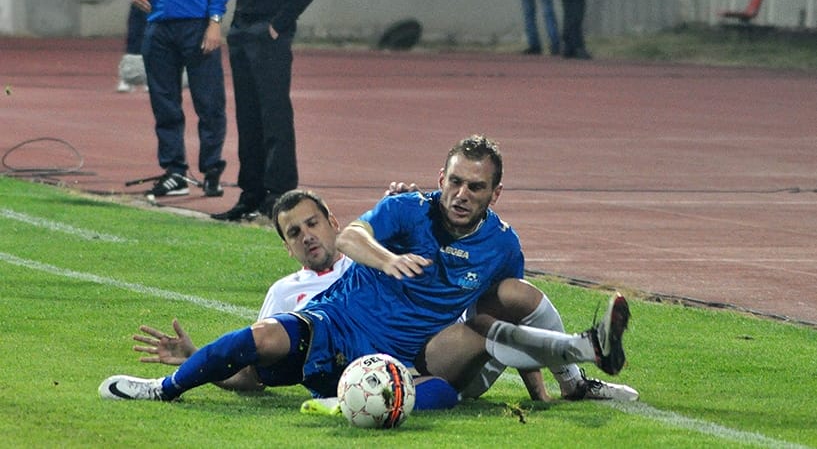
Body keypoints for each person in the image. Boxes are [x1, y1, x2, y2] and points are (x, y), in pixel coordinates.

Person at [99, 135, 634, 405]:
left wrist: (536, 385)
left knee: (493, 316)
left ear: (495, 192)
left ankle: (578, 365)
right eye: (454, 182)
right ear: (440, 178)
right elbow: (354, 237)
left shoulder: (502, 244)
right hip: (335, 332)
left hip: (418, 356)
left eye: (475, 186)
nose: (461, 194)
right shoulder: (404, 211)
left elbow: (496, 318)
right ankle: (162, 389)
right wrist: (388, 258)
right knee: (261, 336)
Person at [132, 190, 354, 393]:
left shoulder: (367, 267)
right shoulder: (283, 293)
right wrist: (196, 358)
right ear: (287, 247)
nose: (307, 237)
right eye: (294, 233)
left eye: (312, 224)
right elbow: (252, 377)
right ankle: (167, 387)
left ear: (333, 222)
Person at [211, 0, 317, 222]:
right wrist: (237, 25)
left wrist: (277, 25)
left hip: (268, 37)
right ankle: (251, 193)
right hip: (242, 34)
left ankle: (280, 195)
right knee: (248, 118)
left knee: (275, 117)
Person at [126, 0, 230, 200]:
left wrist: (215, 21)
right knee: (165, 104)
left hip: (197, 26)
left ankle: (212, 169)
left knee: (209, 103)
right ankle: (175, 171)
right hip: (157, 29)